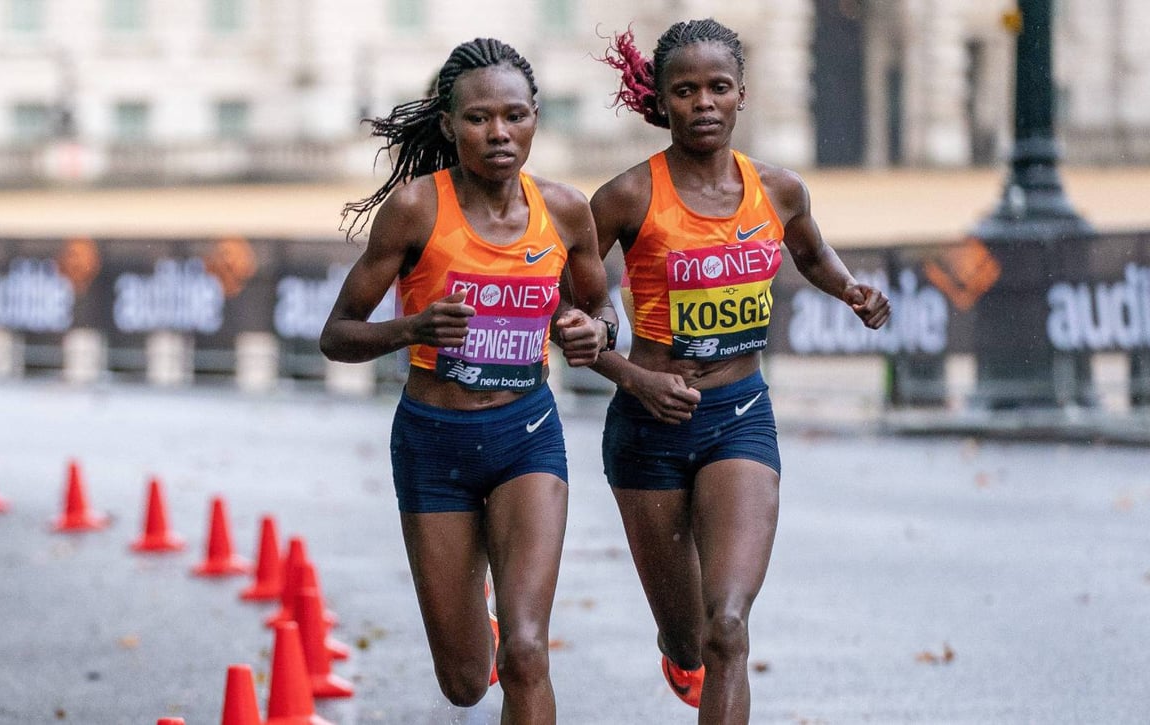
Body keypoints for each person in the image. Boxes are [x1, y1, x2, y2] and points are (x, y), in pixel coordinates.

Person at [589, 19, 891, 723]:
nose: (703, 103)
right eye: (685, 90)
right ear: (661, 102)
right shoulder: (627, 197)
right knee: (690, 636)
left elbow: (812, 254)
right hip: (648, 428)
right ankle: (677, 649)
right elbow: (569, 300)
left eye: (717, 87)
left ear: (741, 96)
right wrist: (629, 370)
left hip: (739, 418)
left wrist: (850, 289)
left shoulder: (778, 190)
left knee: (728, 626)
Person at [321, 37, 617, 723]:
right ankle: (473, 619)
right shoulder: (416, 209)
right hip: (435, 443)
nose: (499, 133)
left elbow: (603, 309)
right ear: (450, 125)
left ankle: (511, 626)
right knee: (465, 680)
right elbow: (337, 335)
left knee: (526, 651)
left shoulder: (568, 211)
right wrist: (413, 329)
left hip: (526, 436)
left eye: (514, 116)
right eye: (479, 118)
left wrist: (596, 331)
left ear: (537, 116)